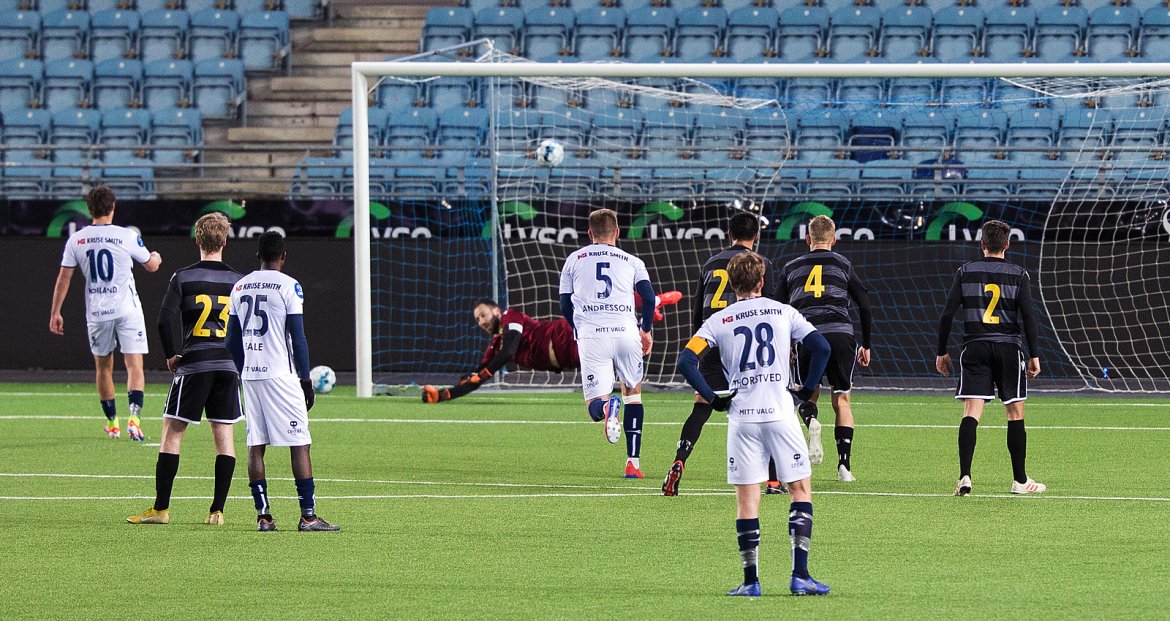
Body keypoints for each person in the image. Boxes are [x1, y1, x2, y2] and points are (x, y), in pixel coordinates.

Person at [676, 252, 833, 597]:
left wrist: (714, 398)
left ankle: (750, 582)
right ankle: (800, 576)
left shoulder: (720, 320)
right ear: (762, 281)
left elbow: (686, 360)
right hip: (780, 413)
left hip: (742, 419)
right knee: (799, 491)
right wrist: (806, 391)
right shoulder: (784, 312)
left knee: (747, 503)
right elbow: (821, 348)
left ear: (732, 285)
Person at [127, 213, 242, 526]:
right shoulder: (237, 281)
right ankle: (216, 511)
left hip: (194, 364)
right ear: (225, 241)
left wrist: (171, 355)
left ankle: (161, 509)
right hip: (227, 366)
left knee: (172, 433)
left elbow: (165, 319)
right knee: (225, 437)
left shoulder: (183, 277)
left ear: (197, 240)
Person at [663, 211, 787, 496]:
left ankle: (679, 460)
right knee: (764, 406)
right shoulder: (761, 263)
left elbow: (697, 310)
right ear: (755, 236)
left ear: (728, 234)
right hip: (746, 345)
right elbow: (769, 311)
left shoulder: (709, 263)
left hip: (711, 340)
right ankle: (772, 481)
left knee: (701, 406)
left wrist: (700, 344)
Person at [226, 232, 340, 532]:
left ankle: (264, 516)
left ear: (258, 256)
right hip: (281, 375)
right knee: (300, 443)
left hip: (251, 376)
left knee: (255, 444)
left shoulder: (239, 286)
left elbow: (230, 340)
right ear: (283, 256)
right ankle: (308, 516)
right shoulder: (290, 286)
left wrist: (244, 369)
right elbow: (298, 338)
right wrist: (305, 380)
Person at [936, 220, 1044, 496]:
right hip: (1008, 348)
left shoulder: (965, 272)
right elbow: (1029, 317)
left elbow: (947, 313)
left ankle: (964, 477)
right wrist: (1034, 355)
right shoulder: (1019, 274)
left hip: (975, 347)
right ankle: (1020, 481)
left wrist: (941, 351)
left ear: (982, 244)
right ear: (1007, 244)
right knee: (1015, 413)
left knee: (972, 411)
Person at [49, 186, 162, 441]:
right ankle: (135, 419)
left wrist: (56, 312)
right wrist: (155, 256)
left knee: (103, 369)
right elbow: (152, 266)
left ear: (90, 210)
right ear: (113, 207)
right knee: (134, 365)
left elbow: (63, 280)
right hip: (127, 309)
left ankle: (112, 423)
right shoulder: (126, 236)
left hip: (98, 313)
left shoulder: (76, 239)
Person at [422, 293, 682, 404]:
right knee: (615, 349)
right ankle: (645, 316)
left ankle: (652, 302)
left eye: (483, 314)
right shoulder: (494, 346)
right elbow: (477, 377)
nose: (481, 321)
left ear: (494, 309)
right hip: (573, 358)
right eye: (477, 319)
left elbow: (509, 351)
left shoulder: (511, 317)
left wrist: (482, 374)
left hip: (564, 336)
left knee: (602, 313)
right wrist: (446, 394)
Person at [559, 208, 656, 479]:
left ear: (590, 233)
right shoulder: (633, 261)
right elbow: (648, 298)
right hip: (626, 333)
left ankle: (606, 408)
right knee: (633, 395)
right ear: (617, 232)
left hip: (593, 334)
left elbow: (565, 303)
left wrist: (577, 326)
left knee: (593, 406)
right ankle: (633, 464)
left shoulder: (574, 259)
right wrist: (645, 330)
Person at [778, 215, 873, 482]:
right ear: (833, 240)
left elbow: (778, 310)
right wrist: (866, 344)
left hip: (807, 335)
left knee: (807, 396)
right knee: (842, 399)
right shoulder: (843, 263)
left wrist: (785, 345)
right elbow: (864, 305)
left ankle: (811, 422)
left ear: (808, 239)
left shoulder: (791, 267)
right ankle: (844, 466)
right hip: (841, 335)